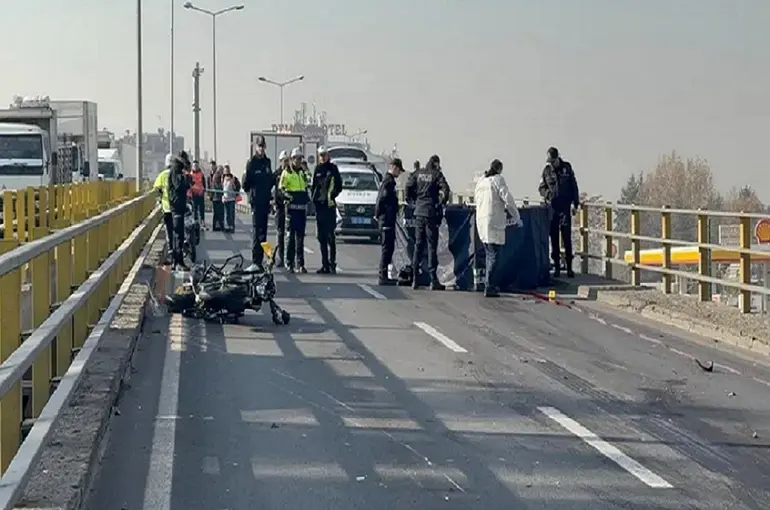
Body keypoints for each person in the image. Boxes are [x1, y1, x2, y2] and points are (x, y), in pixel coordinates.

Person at [474, 159, 522, 297]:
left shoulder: (481, 182)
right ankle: (490, 286)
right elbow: (508, 199)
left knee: (490, 254)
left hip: (482, 221)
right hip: (493, 221)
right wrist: (516, 216)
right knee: (495, 256)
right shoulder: (497, 180)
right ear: (499, 169)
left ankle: (490, 285)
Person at [405, 154, 450, 290]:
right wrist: (441, 202)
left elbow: (408, 186)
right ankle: (433, 280)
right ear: (436, 163)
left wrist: (412, 200)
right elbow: (446, 190)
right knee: (431, 246)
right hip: (430, 212)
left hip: (419, 212)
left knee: (418, 245)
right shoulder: (436, 174)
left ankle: (415, 279)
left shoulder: (418, 173)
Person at [538, 146, 580, 278]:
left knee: (566, 237)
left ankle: (569, 267)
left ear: (557, 158)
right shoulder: (546, 171)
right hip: (552, 208)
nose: (551, 163)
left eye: (553, 161)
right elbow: (541, 188)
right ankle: (556, 266)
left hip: (565, 207)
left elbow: (574, 186)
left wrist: (575, 203)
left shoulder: (566, 168)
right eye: (550, 161)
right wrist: (547, 195)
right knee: (554, 237)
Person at [242, 135, 274, 268]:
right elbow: (245, 183)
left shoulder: (267, 162)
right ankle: (256, 260)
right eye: (259, 146)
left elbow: (270, 181)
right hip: (256, 202)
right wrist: (252, 195)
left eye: (263, 146)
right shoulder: (251, 162)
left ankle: (263, 259)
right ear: (256, 147)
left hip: (265, 201)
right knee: (256, 232)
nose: (261, 149)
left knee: (263, 233)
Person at [311, 146, 342, 274]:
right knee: (321, 237)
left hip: (329, 207)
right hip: (320, 207)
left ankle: (332, 263)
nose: (323, 157)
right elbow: (314, 186)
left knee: (330, 237)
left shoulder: (333, 169)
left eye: (325, 155)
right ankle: (324, 265)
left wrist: (332, 194)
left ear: (328, 156)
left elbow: (339, 185)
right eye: (321, 155)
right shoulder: (317, 169)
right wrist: (314, 198)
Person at [279, 148, 310, 273]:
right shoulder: (286, 173)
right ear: (292, 159)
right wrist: (287, 196)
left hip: (301, 210)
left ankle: (300, 264)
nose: (299, 161)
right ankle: (289, 262)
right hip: (291, 210)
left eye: (300, 158)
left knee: (300, 238)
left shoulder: (302, 173)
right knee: (290, 237)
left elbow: (308, 184)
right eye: (296, 158)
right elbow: (281, 189)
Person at [374, 158, 404, 285]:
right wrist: (378, 214)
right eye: (399, 170)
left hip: (386, 219)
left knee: (389, 248)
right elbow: (381, 199)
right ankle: (382, 276)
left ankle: (384, 275)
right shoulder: (388, 182)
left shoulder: (388, 181)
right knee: (386, 249)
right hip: (386, 220)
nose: (399, 174)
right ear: (394, 167)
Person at [168, 151, 192, 270]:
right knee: (178, 234)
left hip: (180, 204)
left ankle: (178, 261)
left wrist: (187, 179)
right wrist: (185, 177)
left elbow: (187, 185)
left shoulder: (179, 170)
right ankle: (177, 261)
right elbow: (178, 185)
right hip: (176, 205)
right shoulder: (176, 170)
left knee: (180, 234)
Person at [153, 153, 174, 264]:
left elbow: (156, 189)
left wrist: (159, 200)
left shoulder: (162, 175)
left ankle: (171, 252)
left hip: (166, 208)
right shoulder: (179, 174)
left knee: (169, 232)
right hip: (178, 208)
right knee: (178, 232)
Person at [272, 150, 290, 267]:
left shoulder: (291, 173)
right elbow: (272, 189)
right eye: (284, 161)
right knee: (280, 233)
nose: (285, 163)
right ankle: (280, 258)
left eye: (287, 160)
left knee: (289, 234)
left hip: (289, 207)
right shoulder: (276, 174)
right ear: (280, 161)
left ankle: (289, 259)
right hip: (279, 207)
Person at [189, 160, 207, 229]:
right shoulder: (190, 174)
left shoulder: (201, 174)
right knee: (194, 209)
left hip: (200, 193)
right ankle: (195, 222)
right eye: (194, 166)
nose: (195, 167)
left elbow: (204, 183)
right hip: (193, 194)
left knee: (202, 209)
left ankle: (202, 221)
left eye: (196, 165)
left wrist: (204, 191)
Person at [222, 167, 239, 232]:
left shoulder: (233, 178)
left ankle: (232, 226)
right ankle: (228, 226)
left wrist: (233, 183)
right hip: (225, 198)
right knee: (227, 214)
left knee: (231, 213)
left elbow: (235, 187)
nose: (226, 172)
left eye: (227, 170)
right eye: (225, 170)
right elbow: (223, 188)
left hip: (231, 198)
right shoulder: (223, 178)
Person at [210, 165, 224, 231]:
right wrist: (222, 187)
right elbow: (216, 186)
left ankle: (218, 226)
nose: (222, 171)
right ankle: (215, 226)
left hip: (218, 197)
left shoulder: (219, 176)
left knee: (218, 213)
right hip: (216, 197)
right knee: (217, 213)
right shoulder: (216, 176)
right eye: (221, 170)